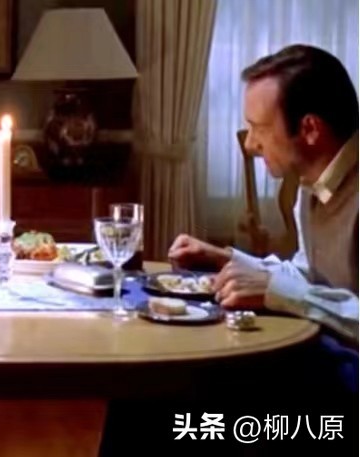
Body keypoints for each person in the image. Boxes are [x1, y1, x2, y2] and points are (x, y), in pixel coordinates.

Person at [100, 44, 358, 456]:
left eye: (259, 128)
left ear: (309, 129)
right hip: (322, 361)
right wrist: (226, 258)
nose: (251, 144)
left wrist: (278, 294)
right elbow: (310, 275)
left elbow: (307, 296)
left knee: (167, 413)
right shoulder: (313, 187)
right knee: (143, 388)